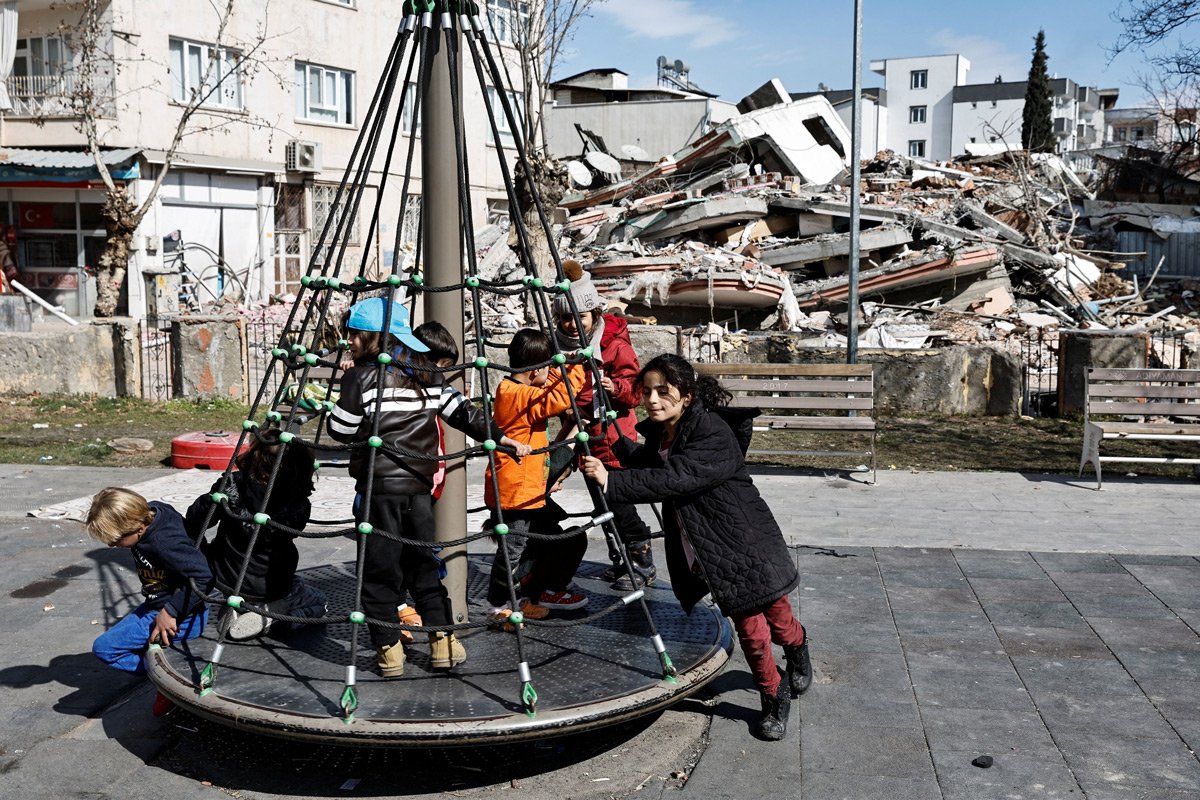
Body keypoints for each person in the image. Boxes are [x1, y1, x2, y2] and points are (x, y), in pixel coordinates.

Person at [581, 354, 812, 741]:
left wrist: (611, 481)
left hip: (744, 541)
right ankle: (774, 695)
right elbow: (651, 463)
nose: (653, 400)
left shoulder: (712, 432)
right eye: (647, 392)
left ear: (686, 396)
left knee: (779, 618)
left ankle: (797, 647)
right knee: (751, 630)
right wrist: (614, 442)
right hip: (711, 546)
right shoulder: (664, 432)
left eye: (663, 392)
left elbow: (675, 478)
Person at [327, 296, 529, 678]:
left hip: (379, 492)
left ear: (374, 337)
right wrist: (500, 437)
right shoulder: (427, 373)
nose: (349, 341)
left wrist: (349, 392)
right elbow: (463, 413)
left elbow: (339, 429)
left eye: (355, 334)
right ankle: (443, 643)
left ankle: (389, 652)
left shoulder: (360, 377)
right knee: (424, 565)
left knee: (380, 570)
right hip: (419, 491)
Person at [552, 259, 655, 591]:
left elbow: (635, 392)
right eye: (565, 318)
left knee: (618, 504)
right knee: (602, 506)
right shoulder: (561, 349)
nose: (572, 325)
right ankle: (621, 559)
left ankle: (642, 561)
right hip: (585, 440)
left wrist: (616, 387)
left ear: (594, 314)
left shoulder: (613, 345)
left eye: (579, 317)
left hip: (613, 439)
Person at [484, 329, 589, 622]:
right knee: (512, 550)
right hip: (514, 490)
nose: (551, 371)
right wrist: (575, 368)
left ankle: (518, 599)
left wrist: (561, 365)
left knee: (521, 546)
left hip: (524, 486)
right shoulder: (516, 394)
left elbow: (550, 387)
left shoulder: (517, 388)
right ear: (535, 370)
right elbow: (557, 399)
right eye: (548, 366)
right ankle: (498, 605)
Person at [185, 429, 327, 641]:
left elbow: (196, 518)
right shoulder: (298, 502)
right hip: (271, 585)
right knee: (318, 602)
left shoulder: (231, 485)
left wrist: (213, 498)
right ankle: (271, 615)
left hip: (225, 576)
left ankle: (237, 609)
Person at [85, 488, 213, 678]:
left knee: (105, 649)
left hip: (182, 617)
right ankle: (159, 666)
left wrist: (170, 612)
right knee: (117, 641)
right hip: (156, 604)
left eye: (116, 539)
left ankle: (169, 675)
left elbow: (204, 577)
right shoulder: (152, 511)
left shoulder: (164, 543)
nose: (111, 545)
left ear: (138, 529)